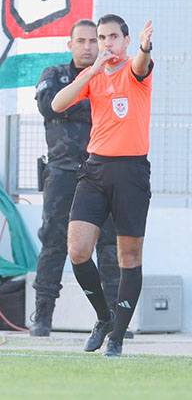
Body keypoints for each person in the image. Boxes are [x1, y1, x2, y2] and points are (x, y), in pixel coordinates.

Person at [51, 14, 155, 357]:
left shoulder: (135, 68)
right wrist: (92, 72)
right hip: (95, 169)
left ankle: (118, 338)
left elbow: (141, 65)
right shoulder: (92, 74)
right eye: (101, 37)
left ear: (125, 40)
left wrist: (143, 47)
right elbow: (57, 104)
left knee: (129, 256)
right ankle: (103, 318)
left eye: (113, 37)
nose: (106, 43)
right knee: (78, 249)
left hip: (131, 171)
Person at [29, 20, 124, 338]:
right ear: (70, 44)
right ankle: (42, 316)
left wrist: (69, 104)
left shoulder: (112, 76)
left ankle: (112, 318)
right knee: (54, 244)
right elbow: (48, 106)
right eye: (80, 41)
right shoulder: (54, 75)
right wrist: (87, 104)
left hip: (102, 172)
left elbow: (115, 111)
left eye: (92, 41)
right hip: (62, 174)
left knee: (109, 246)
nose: (87, 47)